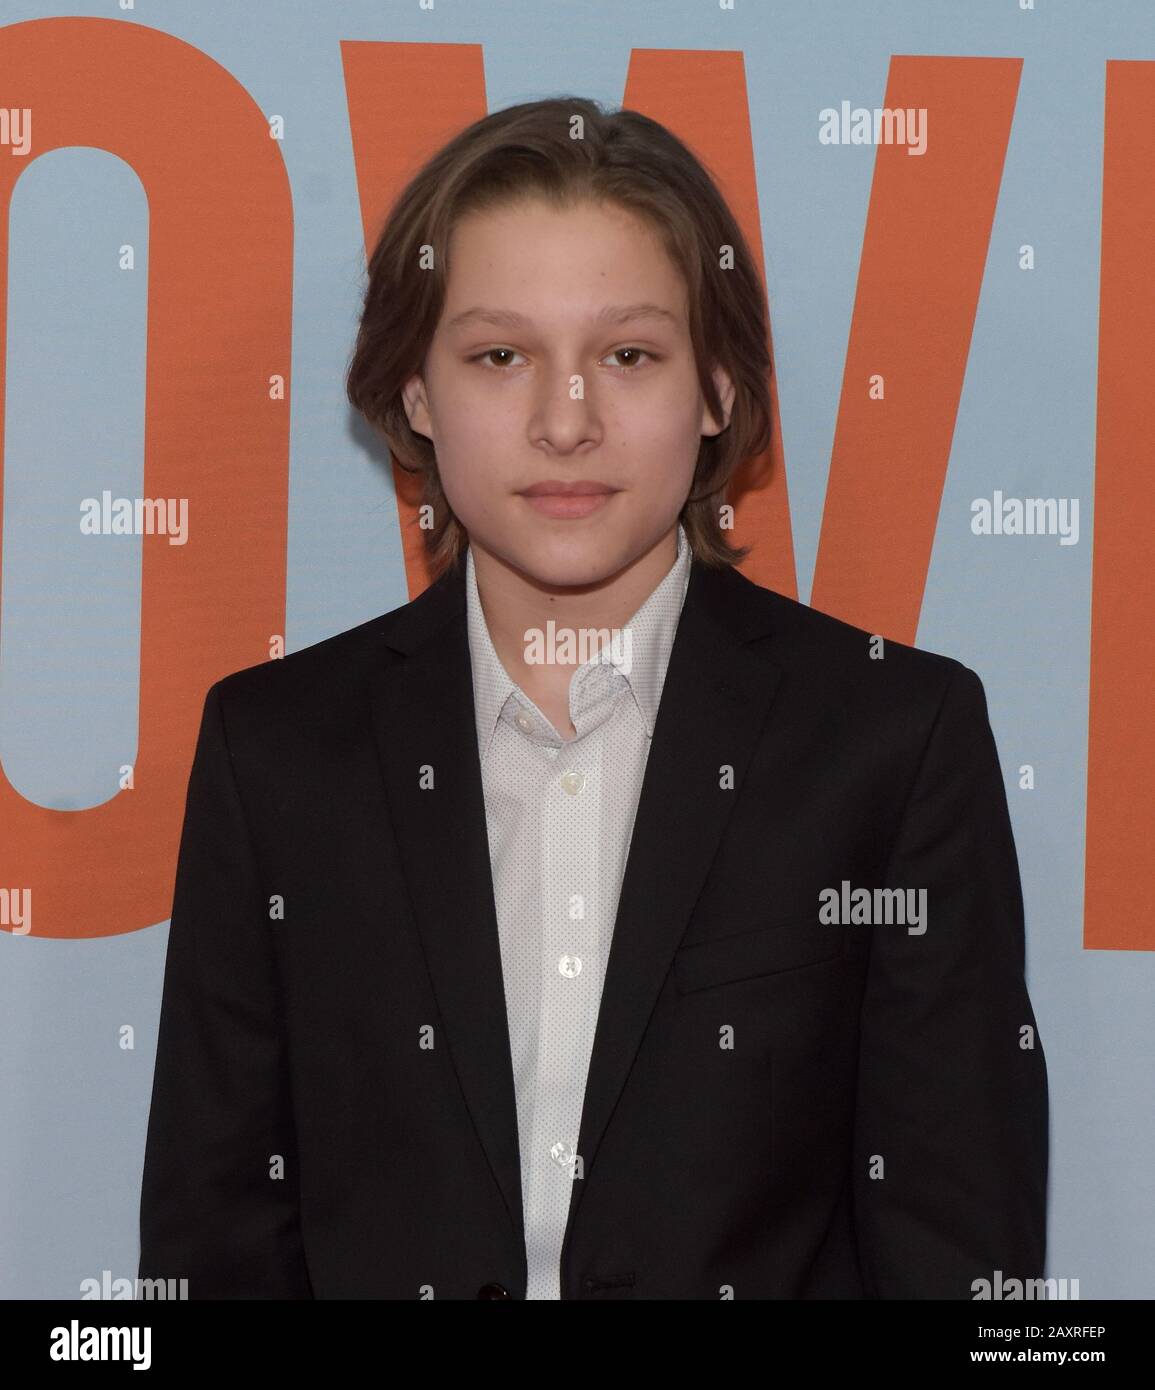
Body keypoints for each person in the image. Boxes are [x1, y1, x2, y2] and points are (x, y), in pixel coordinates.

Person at [138, 96, 1048, 1299]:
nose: (566, 422)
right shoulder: (280, 754)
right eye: (499, 355)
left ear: (717, 388)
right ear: (415, 394)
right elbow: (216, 1250)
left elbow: (957, 1249)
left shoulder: (891, 742)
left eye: (628, 355)